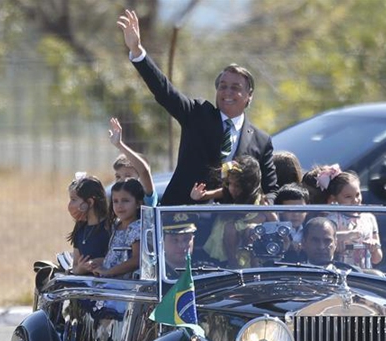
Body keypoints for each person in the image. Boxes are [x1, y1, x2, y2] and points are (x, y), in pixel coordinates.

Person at [118, 9, 277, 206]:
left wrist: (267, 203)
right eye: (223, 86)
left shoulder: (261, 141)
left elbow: (271, 189)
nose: (227, 92)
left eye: (235, 88)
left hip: (231, 227)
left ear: (249, 96)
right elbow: (164, 91)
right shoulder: (197, 114)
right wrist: (137, 52)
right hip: (183, 215)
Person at [198, 156, 275, 267]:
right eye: (229, 184)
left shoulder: (260, 199)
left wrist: (268, 214)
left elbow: (274, 220)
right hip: (229, 237)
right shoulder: (227, 192)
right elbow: (206, 195)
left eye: (237, 185)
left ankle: (255, 268)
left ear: (249, 186)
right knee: (230, 228)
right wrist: (199, 195)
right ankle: (233, 264)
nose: (232, 189)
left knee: (253, 230)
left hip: (251, 235)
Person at [324, 171, 383, 268]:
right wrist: (348, 235)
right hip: (339, 273)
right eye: (348, 197)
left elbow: (377, 259)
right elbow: (324, 240)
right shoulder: (331, 220)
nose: (355, 200)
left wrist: (374, 248)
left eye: (357, 195)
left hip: (365, 276)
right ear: (334, 198)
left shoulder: (369, 218)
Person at [94, 178, 144, 278]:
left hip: (126, 285)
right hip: (111, 281)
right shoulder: (115, 225)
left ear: (138, 204)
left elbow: (137, 259)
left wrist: (110, 272)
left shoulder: (136, 227)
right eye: (115, 201)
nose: (119, 205)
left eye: (125, 201)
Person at [108, 117, 158, 206]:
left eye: (128, 176)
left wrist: (119, 145)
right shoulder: (116, 199)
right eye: (118, 176)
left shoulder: (145, 197)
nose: (122, 180)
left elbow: (144, 171)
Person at [67, 175, 110, 275]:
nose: (70, 205)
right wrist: (81, 269)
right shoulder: (80, 229)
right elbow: (75, 267)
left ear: (90, 202)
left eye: (73, 199)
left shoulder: (109, 227)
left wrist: (102, 262)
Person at [274, 183, 310, 262]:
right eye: (290, 209)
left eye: (300, 209)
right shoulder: (273, 231)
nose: (296, 214)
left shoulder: (311, 229)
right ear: (279, 210)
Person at [162, 212, 198, 279]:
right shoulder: (155, 275)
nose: (182, 245)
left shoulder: (204, 271)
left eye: (186, 239)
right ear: (162, 242)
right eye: (175, 240)